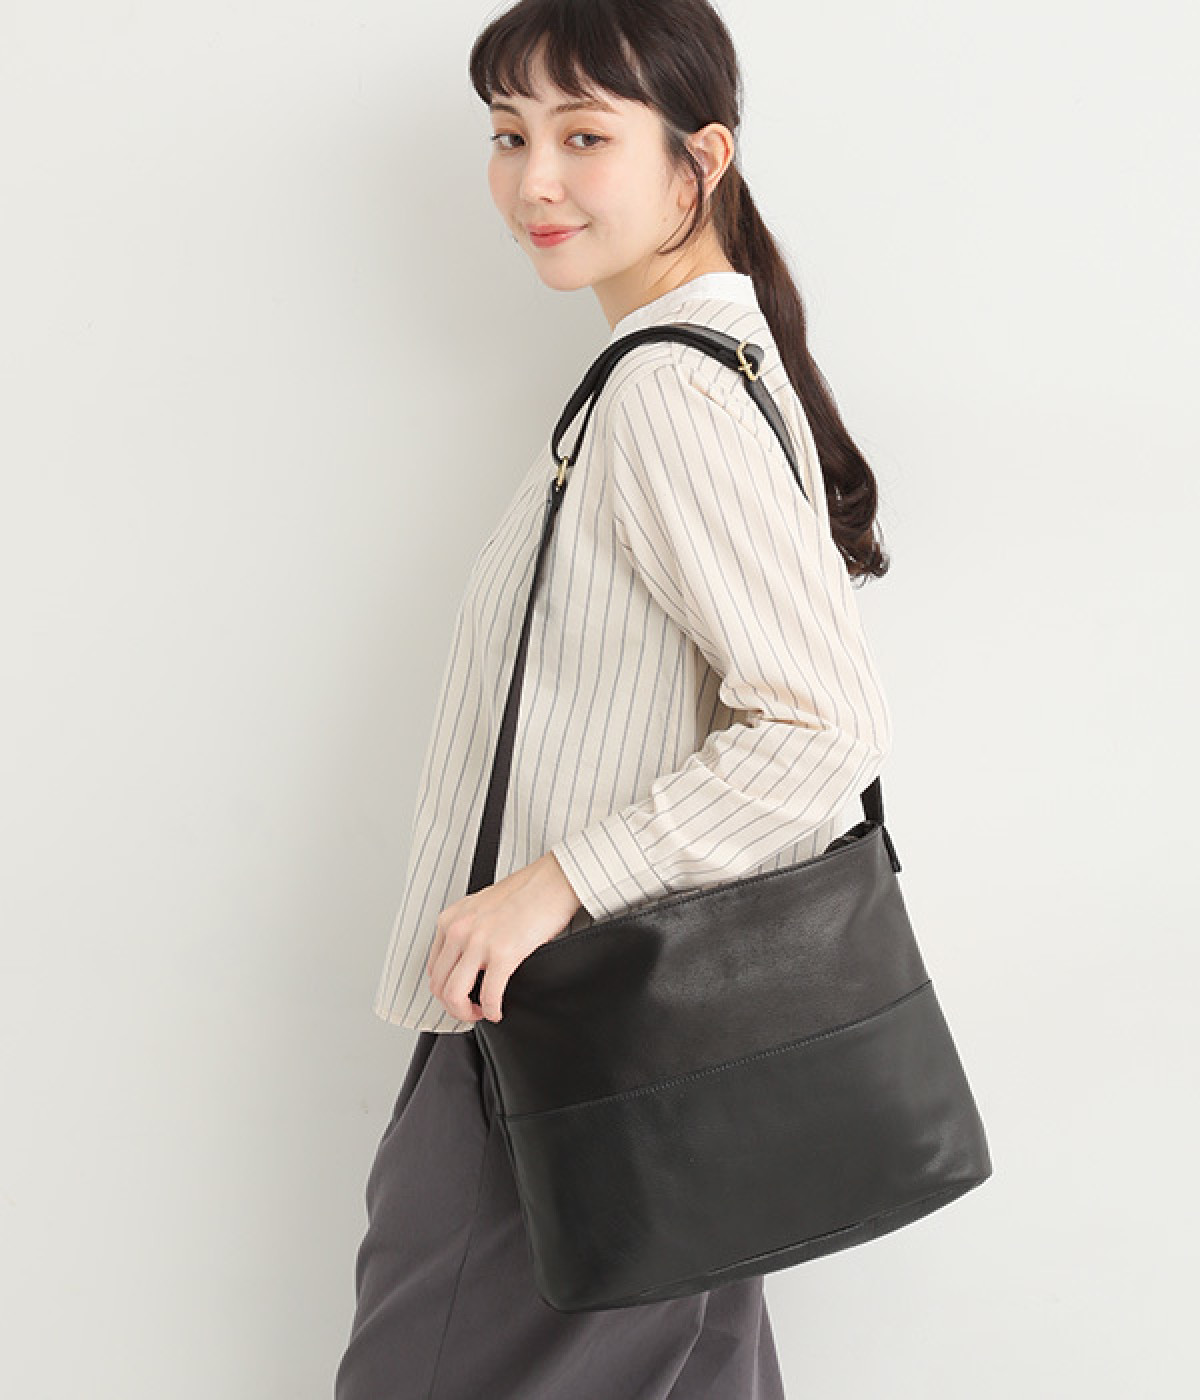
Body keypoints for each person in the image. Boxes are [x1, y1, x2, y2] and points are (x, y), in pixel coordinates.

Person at [335, 2, 894, 1396]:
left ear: (699, 160)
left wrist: (552, 887)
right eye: (509, 134)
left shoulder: (666, 396)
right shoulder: (699, 368)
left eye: (585, 136)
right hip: (670, 1059)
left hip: (570, 1048)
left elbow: (819, 728)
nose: (534, 179)